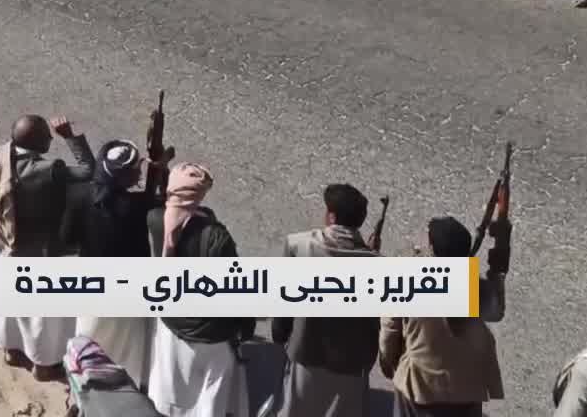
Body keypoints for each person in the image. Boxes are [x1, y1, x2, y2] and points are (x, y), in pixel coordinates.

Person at [0, 115, 94, 381]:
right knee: (42, 318)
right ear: (36, 143)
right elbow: (88, 170)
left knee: (13, 309)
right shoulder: (48, 169)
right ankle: (42, 365)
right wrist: (69, 136)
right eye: (46, 136)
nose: (49, 139)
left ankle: (11, 351)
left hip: (9, 242)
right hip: (42, 251)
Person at [147, 164, 254, 417]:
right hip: (210, 332)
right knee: (210, 395)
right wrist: (245, 326)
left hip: (172, 323)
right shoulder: (215, 235)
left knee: (174, 383)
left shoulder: (155, 219)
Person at [272, 184, 379, 417]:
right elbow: (374, 323)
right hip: (351, 363)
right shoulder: (375, 262)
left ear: (331, 216)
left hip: (306, 352)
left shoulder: (299, 245)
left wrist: (280, 335)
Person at [380, 217, 504, 417]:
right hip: (467, 390)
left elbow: (390, 332)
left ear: (433, 249)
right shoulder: (474, 287)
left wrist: (390, 364)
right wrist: (497, 270)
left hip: (419, 387)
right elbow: (496, 311)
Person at [72, 141, 153, 383]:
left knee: (88, 344)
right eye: (137, 169)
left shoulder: (81, 195)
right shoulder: (136, 208)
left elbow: (68, 237)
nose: (139, 173)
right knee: (126, 350)